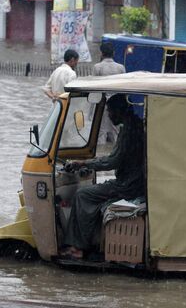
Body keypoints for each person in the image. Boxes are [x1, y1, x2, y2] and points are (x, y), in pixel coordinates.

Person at [61, 94, 146, 259]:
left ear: (118, 111)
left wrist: (84, 163)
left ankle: (77, 248)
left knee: (83, 195)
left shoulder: (129, 130)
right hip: (131, 182)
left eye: (109, 111)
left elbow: (112, 161)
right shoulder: (134, 125)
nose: (108, 115)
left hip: (127, 186)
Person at [92, 42, 125, 144]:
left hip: (102, 104)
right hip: (117, 105)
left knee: (101, 132)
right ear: (113, 53)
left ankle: (101, 154)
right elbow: (124, 88)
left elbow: (94, 88)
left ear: (101, 53)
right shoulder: (120, 68)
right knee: (116, 131)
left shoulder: (97, 67)